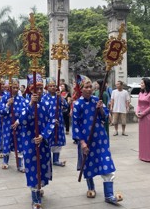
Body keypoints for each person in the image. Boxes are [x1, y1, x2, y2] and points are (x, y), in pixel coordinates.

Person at [72, 74, 122, 205]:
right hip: (86, 140)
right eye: (86, 87)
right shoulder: (77, 104)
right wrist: (82, 142)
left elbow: (107, 118)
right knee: (87, 164)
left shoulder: (97, 100)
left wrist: (100, 109)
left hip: (100, 140)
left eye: (90, 87)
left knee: (107, 164)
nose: (89, 89)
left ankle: (109, 195)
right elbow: (75, 124)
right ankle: (90, 187)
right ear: (81, 89)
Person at [20, 74, 55, 209]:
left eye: (41, 88)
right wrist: (30, 105)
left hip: (43, 141)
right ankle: (35, 198)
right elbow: (22, 121)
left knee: (43, 167)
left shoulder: (47, 103)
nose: (39, 91)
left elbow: (51, 121)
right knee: (32, 168)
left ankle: (39, 187)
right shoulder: (25, 102)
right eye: (36, 89)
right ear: (30, 89)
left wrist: (43, 135)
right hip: (30, 142)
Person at [0, 78, 26, 171]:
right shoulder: (5, 97)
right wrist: (7, 104)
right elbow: (1, 111)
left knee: (19, 144)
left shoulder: (21, 99)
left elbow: (24, 112)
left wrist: (18, 121)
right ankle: (5, 162)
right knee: (7, 142)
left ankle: (20, 165)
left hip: (19, 126)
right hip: (7, 125)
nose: (15, 89)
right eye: (13, 87)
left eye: (16, 87)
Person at [43, 77, 68, 167]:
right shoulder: (44, 98)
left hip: (59, 122)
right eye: (51, 86)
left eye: (54, 86)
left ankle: (56, 160)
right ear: (47, 87)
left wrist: (60, 98)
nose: (53, 87)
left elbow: (66, 105)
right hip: (48, 123)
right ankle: (47, 159)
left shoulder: (58, 97)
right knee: (48, 140)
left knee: (57, 141)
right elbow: (43, 111)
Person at [136, 78, 150, 162]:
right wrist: (137, 112)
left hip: (148, 117)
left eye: (142, 83)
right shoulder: (140, 93)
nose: (141, 84)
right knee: (142, 137)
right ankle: (142, 155)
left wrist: (143, 113)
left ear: (147, 84)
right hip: (141, 117)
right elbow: (138, 104)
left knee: (149, 137)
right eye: (140, 83)